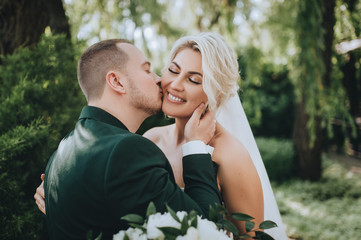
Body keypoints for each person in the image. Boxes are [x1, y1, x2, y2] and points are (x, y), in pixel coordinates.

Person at [41, 39, 222, 240]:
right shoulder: (127, 151)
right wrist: (196, 145)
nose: (159, 79)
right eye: (147, 70)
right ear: (117, 82)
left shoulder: (58, 156)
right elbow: (204, 230)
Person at [142, 32, 288, 239]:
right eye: (173, 70)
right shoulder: (151, 139)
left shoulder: (230, 155)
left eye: (193, 80)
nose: (175, 84)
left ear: (216, 94)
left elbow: (252, 236)